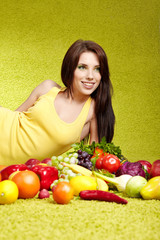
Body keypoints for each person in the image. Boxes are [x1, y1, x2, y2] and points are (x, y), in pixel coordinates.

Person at [0, 40, 115, 165]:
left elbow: (96, 159)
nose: (90, 76)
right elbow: (15, 117)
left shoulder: (94, 111)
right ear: (70, 69)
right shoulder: (48, 88)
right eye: (82, 67)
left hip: (14, 168)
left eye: (97, 69)